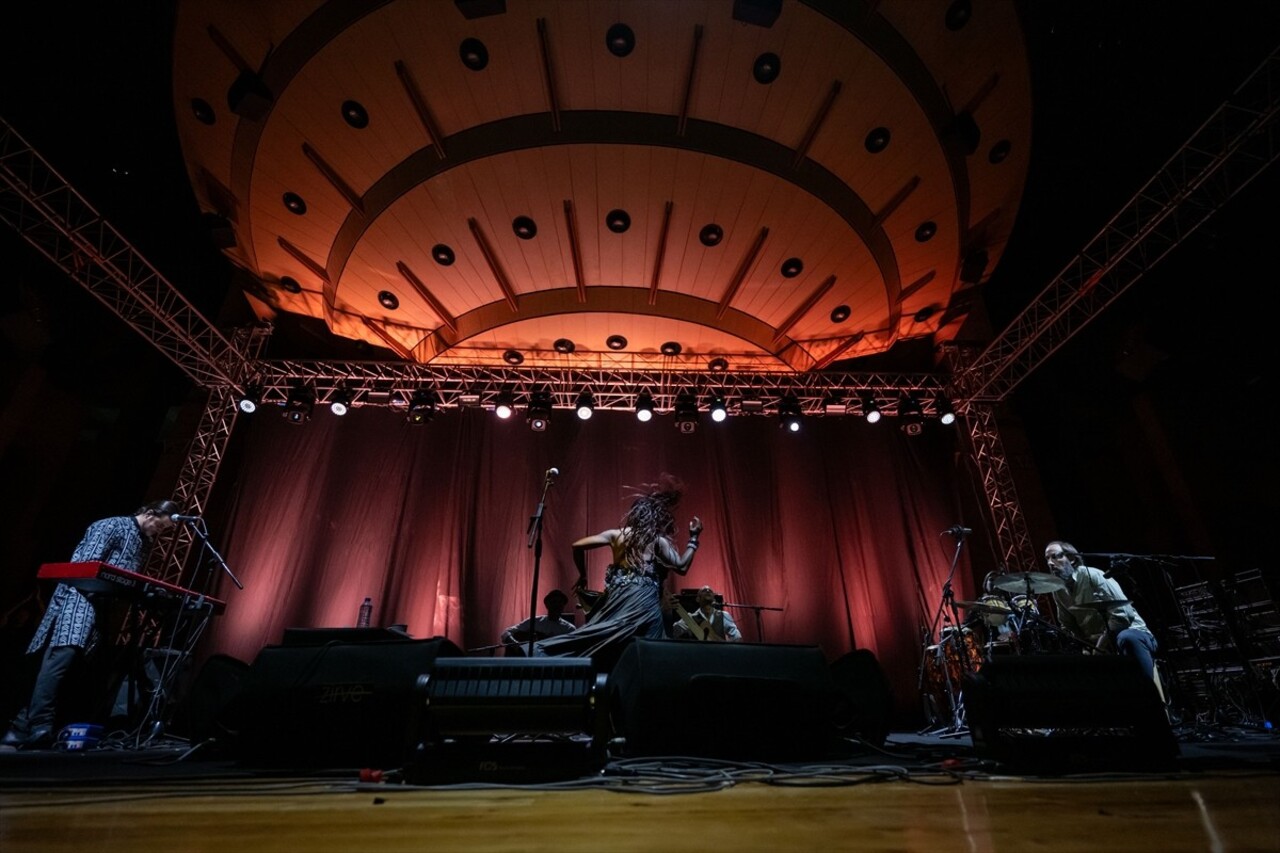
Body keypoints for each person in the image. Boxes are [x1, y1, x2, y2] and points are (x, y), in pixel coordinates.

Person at [1, 500, 179, 750]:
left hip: (100, 607)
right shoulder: (110, 525)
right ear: (150, 513)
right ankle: (40, 724)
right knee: (62, 658)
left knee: (75, 667)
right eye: (162, 526)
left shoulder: (143, 543)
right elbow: (84, 567)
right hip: (77, 598)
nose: (161, 533)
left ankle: (19, 727)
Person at [535, 475, 702, 669]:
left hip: (619, 597)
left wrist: (583, 574)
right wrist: (694, 539)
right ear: (653, 517)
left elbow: (576, 546)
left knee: (606, 633)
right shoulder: (657, 540)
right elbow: (681, 566)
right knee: (646, 644)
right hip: (643, 599)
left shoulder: (616, 535)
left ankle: (545, 657)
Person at [1044, 540, 1159, 681]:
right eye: (1047, 559)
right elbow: (1068, 624)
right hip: (1095, 642)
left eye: (1055, 557)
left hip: (1130, 632)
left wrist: (1100, 646)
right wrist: (1085, 646)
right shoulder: (1058, 590)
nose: (1050, 563)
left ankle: (1149, 692)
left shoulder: (1094, 575)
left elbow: (1122, 615)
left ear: (1072, 558)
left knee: (1127, 638)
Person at [499, 588, 576, 654]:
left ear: (563, 606)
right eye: (553, 602)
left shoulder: (569, 629)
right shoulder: (535, 621)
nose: (557, 605)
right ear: (547, 605)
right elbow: (506, 633)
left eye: (560, 603)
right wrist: (516, 645)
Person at [670, 585, 742, 642]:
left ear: (714, 599)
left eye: (710, 591)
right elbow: (674, 631)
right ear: (698, 599)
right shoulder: (690, 618)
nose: (708, 591)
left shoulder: (724, 615)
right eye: (704, 590)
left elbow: (737, 637)